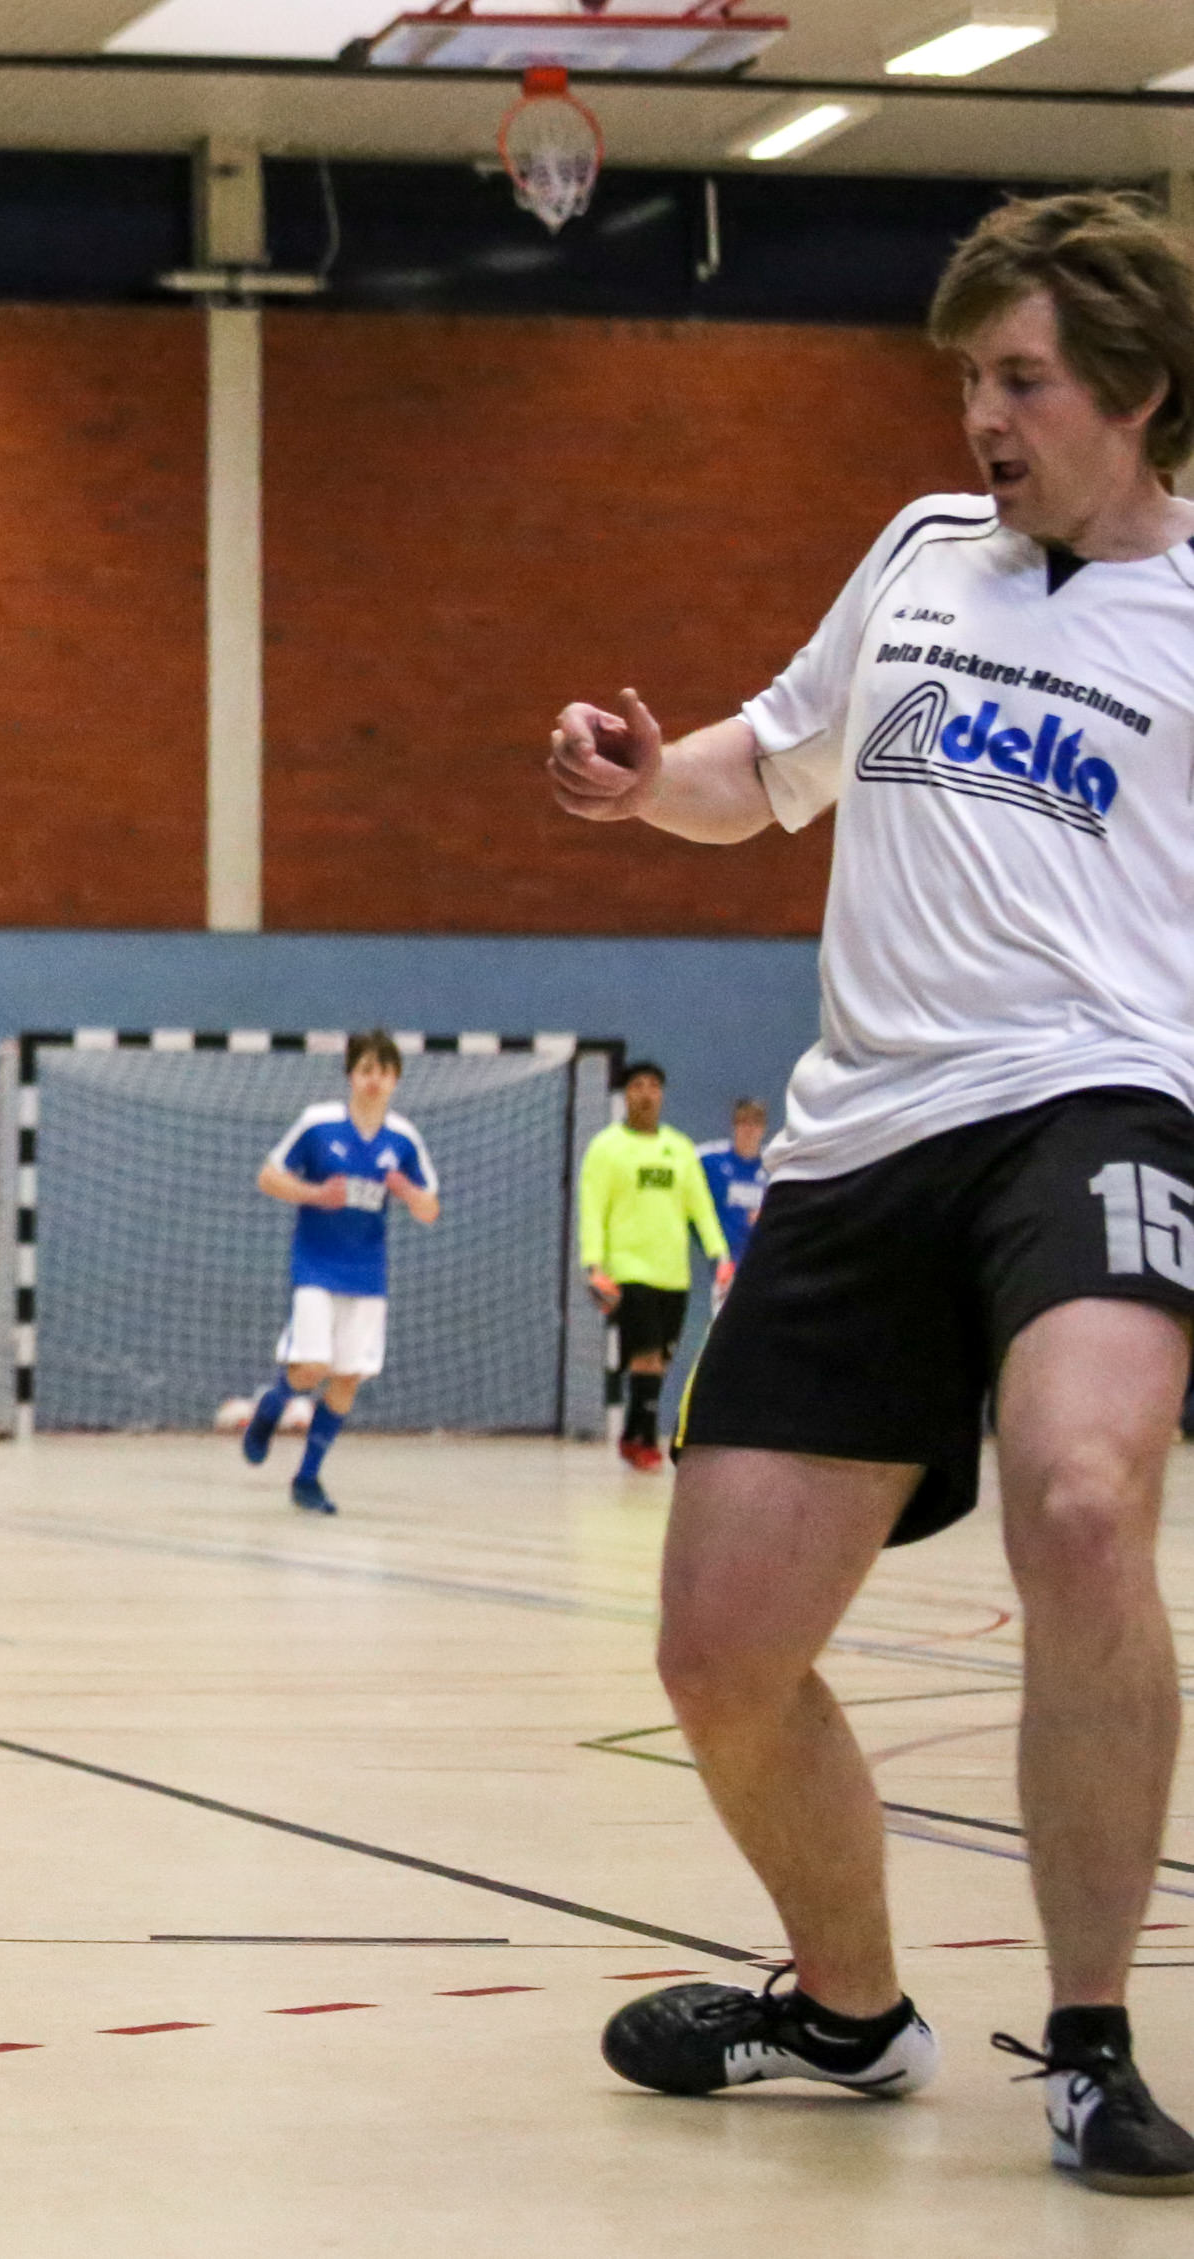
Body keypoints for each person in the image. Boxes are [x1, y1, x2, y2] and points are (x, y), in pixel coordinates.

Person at [546, 192, 1194, 2193]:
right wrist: (639, 776)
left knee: (1077, 1494)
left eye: (1019, 380)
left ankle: (1086, 2038)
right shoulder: (918, 553)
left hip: (1096, 1100)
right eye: (966, 378)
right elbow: (761, 770)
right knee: (715, 1654)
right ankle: (846, 2007)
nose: (979, 415)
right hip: (860, 1135)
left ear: (1132, 391)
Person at [238, 1031, 439, 1515]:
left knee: (347, 1378)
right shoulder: (318, 1124)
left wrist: (408, 1193)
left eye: (384, 1072)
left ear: (395, 1080)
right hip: (315, 1266)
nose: (374, 1080)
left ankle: (307, 1478)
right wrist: (314, 1194)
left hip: (367, 1274)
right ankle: (272, 1406)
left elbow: (430, 1208)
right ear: (351, 1074)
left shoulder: (403, 1138)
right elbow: (268, 1177)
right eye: (366, 1069)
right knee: (312, 1368)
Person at [577, 1061, 733, 1473]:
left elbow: (700, 1206)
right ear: (625, 1094)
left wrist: (719, 1255)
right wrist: (593, 1264)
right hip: (629, 1269)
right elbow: (592, 1209)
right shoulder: (606, 1147)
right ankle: (646, 1441)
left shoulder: (679, 1148)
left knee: (659, 1358)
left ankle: (631, 1433)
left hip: (673, 1273)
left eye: (653, 1086)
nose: (646, 1094)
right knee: (644, 1353)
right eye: (637, 1086)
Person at [699, 1096, 770, 1270]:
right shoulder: (711, 1160)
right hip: (723, 1264)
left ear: (763, 1128)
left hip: (763, 1263)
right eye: (743, 1122)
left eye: (756, 1123)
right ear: (734, 1125)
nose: (749, 1129)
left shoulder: (774, 1167)